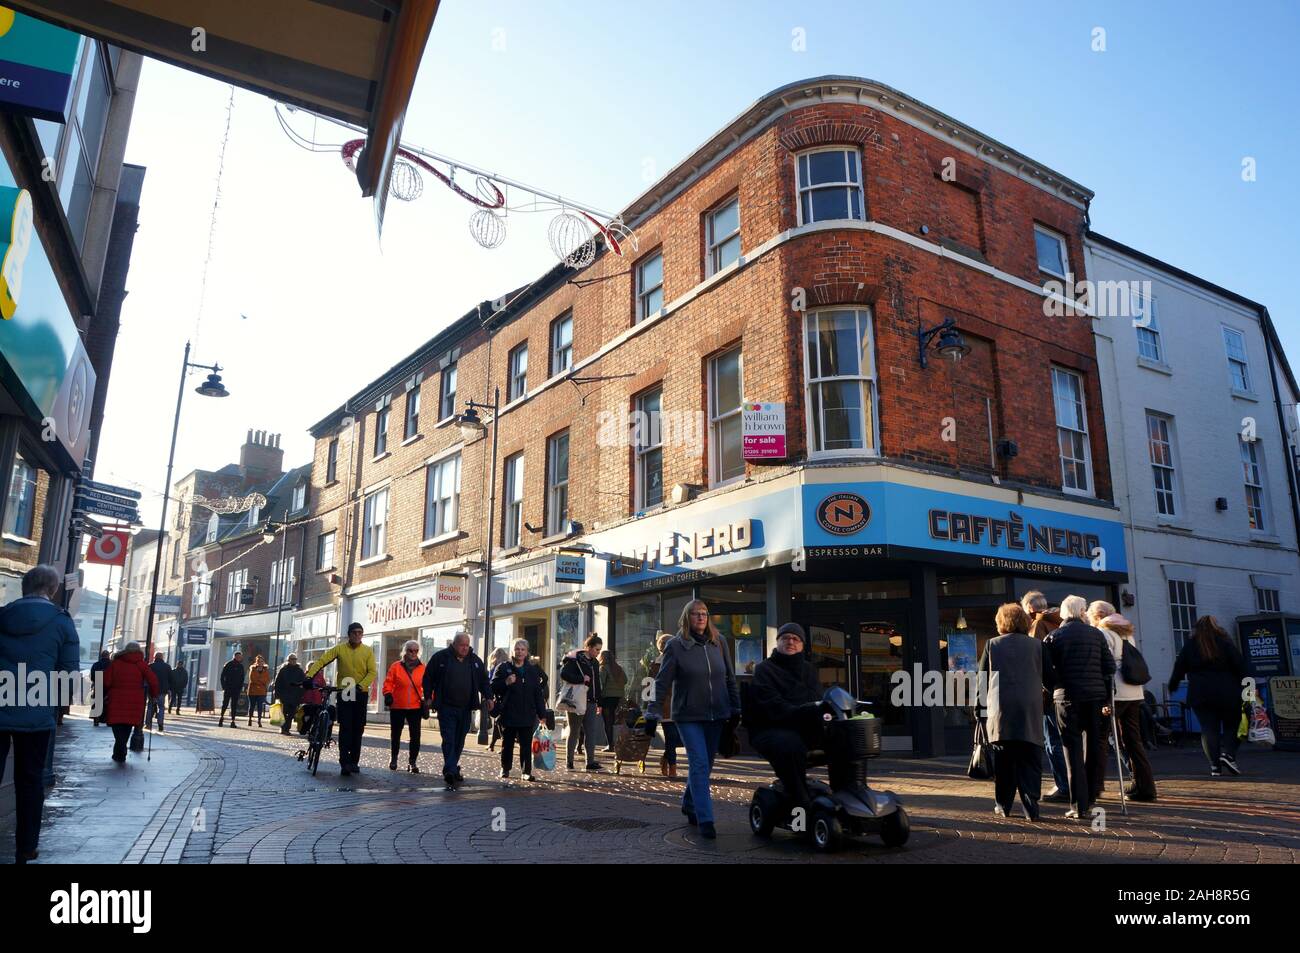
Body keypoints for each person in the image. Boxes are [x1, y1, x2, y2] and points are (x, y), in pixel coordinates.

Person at [0, 564, 80, 863]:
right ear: (53, 589)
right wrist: (56, 708)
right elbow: (68, 672)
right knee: (31, 781)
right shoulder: (61, 622)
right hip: (36, 711)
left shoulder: (3, 615)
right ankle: (26, 847)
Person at [644, 600, 740, 840]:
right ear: (687, 618)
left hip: (716, 714)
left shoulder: (719, 643)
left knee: (705, 765)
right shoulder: (676, 646)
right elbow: (662, 682)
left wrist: (735, 707)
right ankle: (705, 818)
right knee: (698, 763)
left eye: (704, 614)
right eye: (696, 614)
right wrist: (652, 711)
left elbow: (729, 677)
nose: (701, 617)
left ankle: (689, 802)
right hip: (687, 715)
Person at [980, 604, 1054, 821]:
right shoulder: (1038, 646)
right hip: (1030, 708)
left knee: (1004, 760)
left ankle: (1003, 805)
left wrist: (979, 710)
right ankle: (1031, 806)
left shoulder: (992, 645)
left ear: (1001, 622)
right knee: (1030, 759)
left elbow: (982, 680)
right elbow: (1050, 679)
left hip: (1000, 711)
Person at [1045, 594, 1115, 819]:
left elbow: (1046, 671)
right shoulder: (1096, 635)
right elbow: (1110, 668)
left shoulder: (1053, 637)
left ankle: (1078, 805)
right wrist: (1106, 696)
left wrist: (1056, 687)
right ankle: (1092, 795)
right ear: (1082, 611)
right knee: (1094, 746)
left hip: (1066, 699)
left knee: (1071, 750)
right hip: (1095, 698)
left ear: (1064, 613)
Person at [747, 623, 822, 809]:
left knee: (844, 738)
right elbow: (772, 705)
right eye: (785, 638)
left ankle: (846, 795)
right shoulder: (764, 669)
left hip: (803, 725)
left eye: (795, 639)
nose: (790, 642)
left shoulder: (809, 669)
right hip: (770, 728)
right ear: (778, 642)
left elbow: (817, 699)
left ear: (802, 645)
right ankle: (801, 800)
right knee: (790, 745)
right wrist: (802, 711)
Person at [1170, 615, 1250, 777]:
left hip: (1200, 694)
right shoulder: (1225, 643)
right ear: (1216, 627)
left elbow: (1179, 668)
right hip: (1228, 692)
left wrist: (1173, 685)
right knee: (1233, 725)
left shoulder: (1190, 646)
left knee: (1208, 729)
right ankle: (1228, 755)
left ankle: (1215, 767)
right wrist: (1249, 688)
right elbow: (1241, 667)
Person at [1094, 609, 1158, 801]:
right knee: (1133, 741)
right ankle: (1145, 787)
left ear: (1097, 616)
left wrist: (1104, 696)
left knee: (1101, 739)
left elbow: (1104, 665)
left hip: (1116, 693)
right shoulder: (1126, 632)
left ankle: (1095, 787)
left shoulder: (1105, 632)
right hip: (1134, 693)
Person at [306, 623, 378, 776]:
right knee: (345, 727)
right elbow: (322, 661)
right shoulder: (340, 649)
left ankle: (354, 761)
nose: (358, 635)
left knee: (358, 728)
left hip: (359, 692)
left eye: (360, 633)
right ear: (349, 634)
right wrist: (309, 676)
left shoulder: (367, 651)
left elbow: (372, 672)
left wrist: (361, 685)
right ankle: (344, 762)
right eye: (355, 633)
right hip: (345, 690)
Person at [423, 632, 493, 786]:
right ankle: (450, 770)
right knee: (448, 739)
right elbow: (428, 678)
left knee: (459, 740)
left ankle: (452, 768)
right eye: (462, 645)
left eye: (467, 645)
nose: (465, 648)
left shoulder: (474, 661)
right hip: (446, 707)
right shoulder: (440, 658)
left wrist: (489, 697)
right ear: (454, 644)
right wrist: (428, 696)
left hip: (466, 708)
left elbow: (484, 681)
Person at [1021, 590, 1069, 804]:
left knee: (1052, 741)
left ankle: (1063, 785)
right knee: (1067, 739)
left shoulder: (1038, 625)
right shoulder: (1061, 622)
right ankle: (1072, 782)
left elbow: (1034, 661)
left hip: (1048, 692)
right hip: (1066, 688)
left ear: (1030, 608)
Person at [491, 638, 548, 780]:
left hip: (527, 713)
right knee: (507, 744)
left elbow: (537, 694)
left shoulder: (532, 670)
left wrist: (542, 714)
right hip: (508, 713)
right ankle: (505, 769)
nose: (520, 652)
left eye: (523, 649)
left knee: (526, 745)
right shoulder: (504, 667)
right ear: (512, 651)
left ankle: (526, 772)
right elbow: (492, 686)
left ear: (527, 652)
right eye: (517, 649)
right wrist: (506, 682)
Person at [103, 641, 160, 764]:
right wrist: (154, 695)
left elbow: (106, 681)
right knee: (127, 727)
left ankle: (119, 751)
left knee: (117, 727)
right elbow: (153, 681)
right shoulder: (141, 665)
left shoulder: (116, 663)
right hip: (135, 701)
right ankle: (120, 751)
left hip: (116, 700)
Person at [559, 635, 605, 772]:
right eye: (596, 649)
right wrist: (581, 679)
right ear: (589, 647)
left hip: (591, 701)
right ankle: (569, 761)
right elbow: (563, 674)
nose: (598, 653)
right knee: (574, 731)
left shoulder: (595, 662)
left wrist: (599, 701)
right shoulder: (575, 659)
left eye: (600, 650)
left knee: (591, 732)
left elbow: (596, 683)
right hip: (576, 700)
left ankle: (590, 762)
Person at [383, 640, 427, 773]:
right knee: (395, 734)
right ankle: (394, 758)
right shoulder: (396, 666)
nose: (413, 653)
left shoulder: (423, 668)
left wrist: (431, 699)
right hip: (397, 705)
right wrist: (388, 694)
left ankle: (412, 762)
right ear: (405, 651)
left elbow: (428, 685)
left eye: (416, 651)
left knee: (415, 736)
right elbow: (388, 682)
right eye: (410, 650)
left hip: (415, 707)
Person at [648, 633, 680, 777]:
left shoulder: (680, 660)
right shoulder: (655, 664)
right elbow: (648, 687)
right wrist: (651, 708)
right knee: (671, 736)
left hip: (680, 705)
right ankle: (672, 767)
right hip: (666, 706)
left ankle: (666, 759)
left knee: (675, 737)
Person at [598, 649, 627, 752]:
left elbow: (600, 684)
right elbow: (625, 680)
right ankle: (617, 744)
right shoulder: (619, 668)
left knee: (608, 722)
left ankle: (610, 745)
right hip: (618, 698)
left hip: (607, 699)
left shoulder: (603, 668)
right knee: (616, 721)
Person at [274, 654, 306, 736]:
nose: (293, 660)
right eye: (292, 659)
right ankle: (283, 728)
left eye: (295, 659)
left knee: (291, 713)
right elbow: (277, 683)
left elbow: (303, 683)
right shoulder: (283, 670)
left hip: (295, 695)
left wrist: (301, 693)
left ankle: (287, 728)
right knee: (284, 712)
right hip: (284, 695)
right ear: (288, 660)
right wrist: (277, 695)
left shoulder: (299, 671)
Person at [486, 647, 509, 752]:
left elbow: (491, 683)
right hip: (505, 698)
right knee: (498, 722)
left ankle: (500, 745)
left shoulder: (494, 667)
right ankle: (494, 744)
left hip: (497, 699)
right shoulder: (507, 666)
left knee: (498, 722)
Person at [218, 651, 245, 727]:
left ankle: (233, 721)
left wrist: (240, 688)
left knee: (234, 705)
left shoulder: (241, 666)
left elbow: (242, 678)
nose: (240, 658)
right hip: (228, 688)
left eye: (240, 657)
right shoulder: (228, 664)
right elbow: (222, 677)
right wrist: (224, 686)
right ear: (235, 657)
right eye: (238, 657)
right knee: (225, 704)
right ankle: (221, 717)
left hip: (236, 689)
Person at [146, 652, 171, 733]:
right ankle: (160, 724)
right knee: (161, 707)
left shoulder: (151, 666)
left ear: (155, 657)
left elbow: (147, 678)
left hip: (152, 690)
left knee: (150, 707)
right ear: (162, 657)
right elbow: (170, 679)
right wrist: (168, 688)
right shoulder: (167, 667)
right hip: (162, 691)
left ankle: (148, 724)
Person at [246, 655, 270, 727]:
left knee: (260, 706)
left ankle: (259, 720)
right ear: (256, 662)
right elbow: (252, 679)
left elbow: (267, 680)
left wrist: (260, 681)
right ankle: (250, 719)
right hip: (252, 691)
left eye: (262, 661)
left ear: (264, 662)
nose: (260, 663)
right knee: (252, 706)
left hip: (262, 691)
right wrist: (261, 681)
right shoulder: (252, 669)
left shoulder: (266, 670)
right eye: (259, 661)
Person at [89, 649, 111, 726]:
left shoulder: (96, 665)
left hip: (98, 684)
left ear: (101, 656)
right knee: (109, 703)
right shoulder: (112, 664)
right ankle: (108, 720)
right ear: (108, 656)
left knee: (97, 702)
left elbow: (92, 677)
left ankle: (96, 719)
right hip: (109, 686)